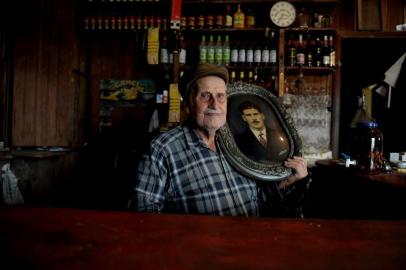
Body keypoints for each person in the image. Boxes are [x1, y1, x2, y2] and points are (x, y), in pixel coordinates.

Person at [130, 63, 308, 216]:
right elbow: (145, 217)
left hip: (247, 247)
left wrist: (289, 180)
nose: (215, 104)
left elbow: (257, 199)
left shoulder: (237, 144)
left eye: (221, 96)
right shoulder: (162, 149)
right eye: (205, 96)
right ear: (187, 105)